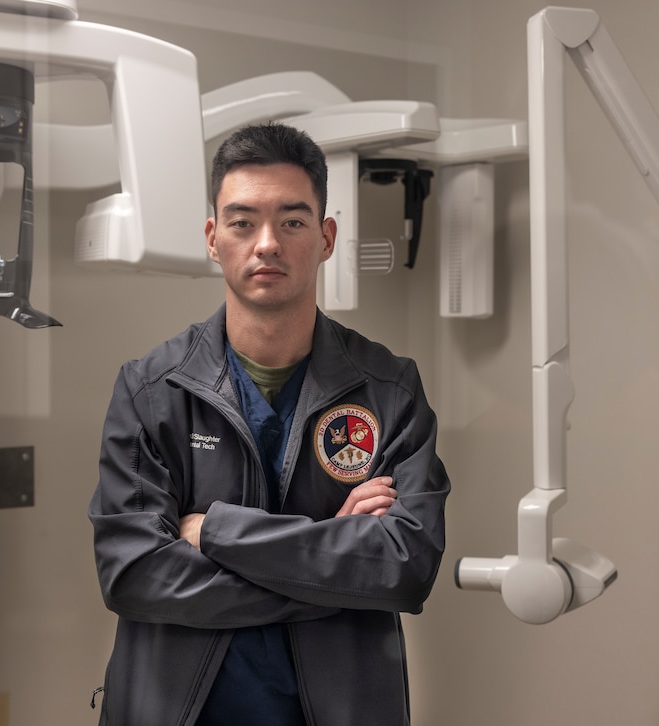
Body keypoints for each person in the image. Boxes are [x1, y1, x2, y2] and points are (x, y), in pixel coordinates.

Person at [89, 121, 450, 726]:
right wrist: (333, 565)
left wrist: (217, 532)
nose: (267, 243)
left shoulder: (390, 389)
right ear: (212, 237)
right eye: (242, 222)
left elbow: (403, 568)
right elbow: (134, 575)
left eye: (292, 221)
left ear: (326, 236)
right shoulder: (151, 390)